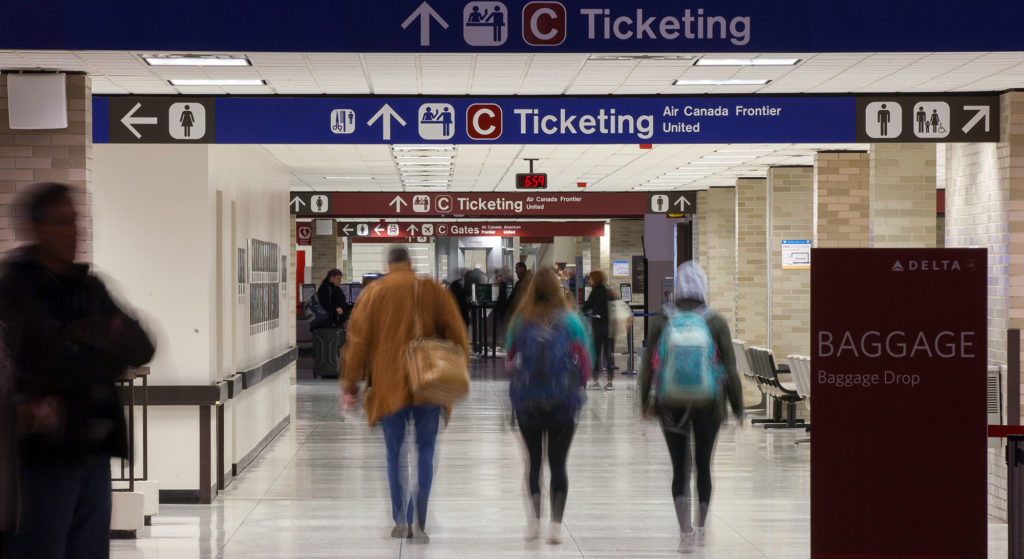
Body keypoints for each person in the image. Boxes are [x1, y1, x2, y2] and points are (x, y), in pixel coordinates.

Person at [0, 182, 156, 559]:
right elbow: (57, 364)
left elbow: (143, 347)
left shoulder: (89, 286)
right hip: (43, 454)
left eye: (76, 221)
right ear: (36, 228)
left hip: (94, 448)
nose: (74, 231)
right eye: (62, 222)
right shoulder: (18, 288)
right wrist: (106, 338)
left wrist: (94, 334)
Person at [341, 246, 469, 543]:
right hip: (430, 385)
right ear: (410, 264)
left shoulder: (374, 293)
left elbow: (357, 342)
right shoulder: (434, 291)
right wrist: (454, 369)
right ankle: (420, 515)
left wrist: (350, 385)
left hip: (388, 386)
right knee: (425, 450)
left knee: (394, 453)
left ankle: (400, 518)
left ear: (388, 264)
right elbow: (459, 337)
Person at [639, 261, 744, 553]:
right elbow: (731, 369)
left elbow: (648, 366)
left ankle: (684, 532)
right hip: (710, 404)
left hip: (670, 404)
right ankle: (701, 528)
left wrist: (644, 402)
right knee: (703, 466)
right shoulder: (715, 322)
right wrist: (738, 408)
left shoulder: (662, 321)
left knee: (679, 469)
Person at [505, 268, 593, 545]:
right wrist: (578, 385)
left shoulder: (521, 321)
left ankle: (534, 524)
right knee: (558, 465)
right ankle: (555, 528)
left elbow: (510, 361)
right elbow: (586, 364)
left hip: (527, 402)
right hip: (563, 403)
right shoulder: (572, 321)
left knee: (533, 464)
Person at [581, 270, 615, 389]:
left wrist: (578, 312)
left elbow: (587, 306)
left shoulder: (596, 291)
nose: (589, 281)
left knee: (596, 353)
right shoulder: (607, 291)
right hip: (610, 327)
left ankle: (595, 381)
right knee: (608, 354)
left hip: (599, 326)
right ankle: (609, 381)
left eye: (590, 278)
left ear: (595, 279)